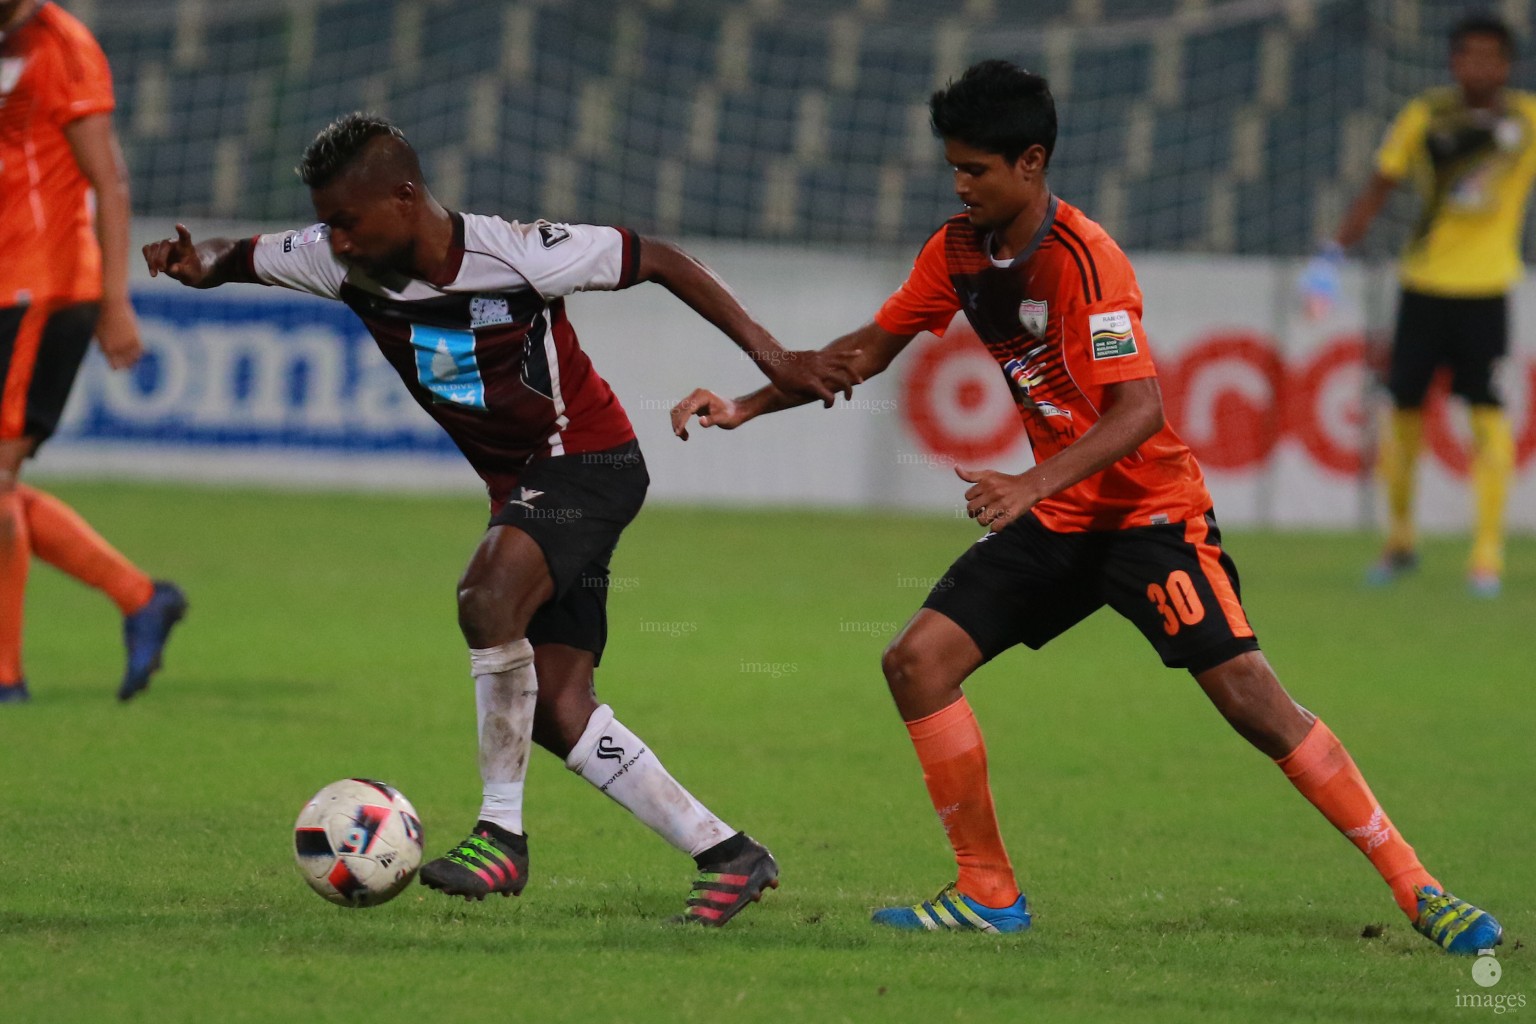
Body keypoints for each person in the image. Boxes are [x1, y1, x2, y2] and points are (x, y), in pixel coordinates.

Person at [672, 60, 1503, 952]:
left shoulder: (1086, 260)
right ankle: (988, 893)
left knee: (1254, 702)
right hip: (1062, 517)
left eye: (976, 170)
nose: (960, 185)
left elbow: (1140, 410)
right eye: (952, 167)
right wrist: (748, 403)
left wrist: (1029, 483)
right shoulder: (956, 250)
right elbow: (862, 357)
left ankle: (1420, 889)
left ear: (1031, 162)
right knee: (916, 664)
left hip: (1148, 515)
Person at [144, 112, 862, 924]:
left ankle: (502, 837)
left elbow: (658, 258)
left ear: (405, 197)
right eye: (325, 222)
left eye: (346, 221)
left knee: (485, 598)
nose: (333, 240)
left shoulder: (514, 253)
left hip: (588, 462)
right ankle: (729, 854)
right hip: (523, 485)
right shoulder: (332, 258)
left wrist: (777, 360)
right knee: (556, 709)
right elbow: (240, 257)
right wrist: (194, 264)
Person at [1306, 12, 1533, 598]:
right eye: (1469, 54)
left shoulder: (1528, 121)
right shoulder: (1423, 117)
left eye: (1492, 55)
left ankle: (1486, 554)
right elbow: (1379, 188)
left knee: (1487, 414)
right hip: (1423, 287)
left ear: (1506, 65)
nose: (1480, 65)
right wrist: (1331, 256)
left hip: (1487, 289)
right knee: (1401, 412)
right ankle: (1401, 540)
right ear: (1453, 60)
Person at [0, 0, 187, 705]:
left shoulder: (60, 45)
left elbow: (108, 179)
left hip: (42, 288)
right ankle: (139, 597)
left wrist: (115, 301)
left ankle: (5, 678)